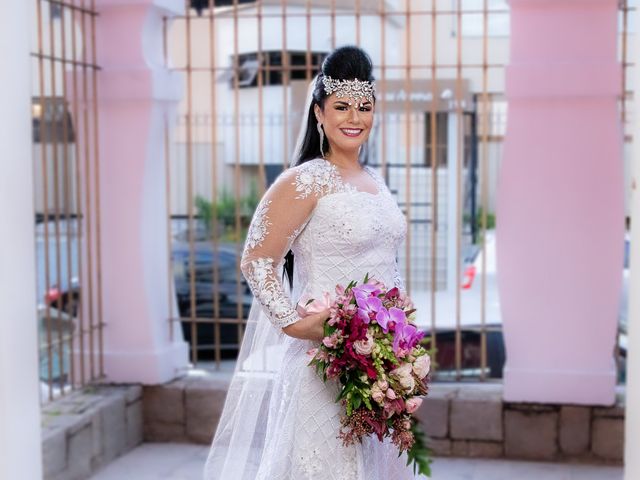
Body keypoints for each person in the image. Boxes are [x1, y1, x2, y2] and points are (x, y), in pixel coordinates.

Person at [204, 45, 417, 479]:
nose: (354, 118)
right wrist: (291, 322)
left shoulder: (375, 180)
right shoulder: (304, 180)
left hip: (375, 368)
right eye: (341, 106)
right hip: (321, 368)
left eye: (364, 107)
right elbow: (257, 259)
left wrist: (397, 342)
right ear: (319, 112)